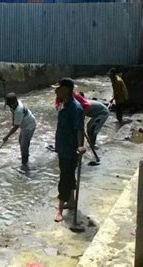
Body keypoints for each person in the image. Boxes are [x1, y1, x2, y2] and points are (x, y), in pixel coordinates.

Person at [52, 78, 86, 222]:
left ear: (66, 89)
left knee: (65, 178)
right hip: (62, 147)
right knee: (68, 175)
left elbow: (79, 129)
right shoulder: (63, 104)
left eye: (58, 88)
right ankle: (71, 201)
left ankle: (60, 208)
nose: (55, 91)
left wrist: (80, 146)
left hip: (71, 149)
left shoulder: (75, 108)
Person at [3, 92, 36, 170]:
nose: (9, 106)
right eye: (8, 105)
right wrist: (13, 121)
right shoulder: (14, 105)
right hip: (24, 125)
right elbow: (12, 113)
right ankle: (25, 156)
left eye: (10, 104)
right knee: (20, 141)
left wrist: (7, 136)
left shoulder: (19, 110)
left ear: (15, 102)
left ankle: (25, 165)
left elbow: (16, 127)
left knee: (24, 145)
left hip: (29, 126)